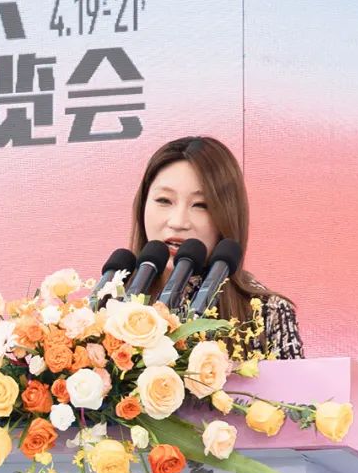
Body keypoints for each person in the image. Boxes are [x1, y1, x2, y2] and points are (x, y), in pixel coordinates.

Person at [129, 135, 305, 359]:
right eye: (164, 200)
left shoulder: (267, 313)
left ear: (227, 215)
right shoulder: (108, 304)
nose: (178, 222)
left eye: (201, 205)